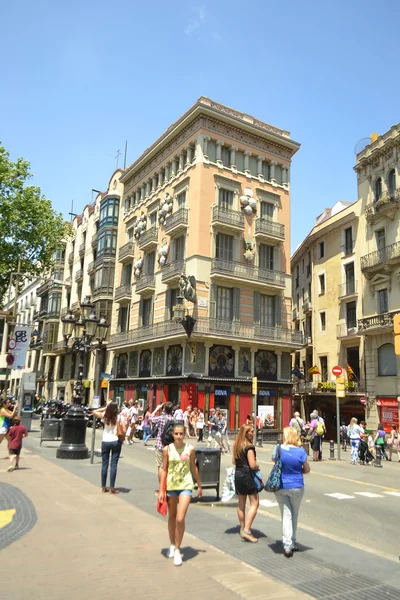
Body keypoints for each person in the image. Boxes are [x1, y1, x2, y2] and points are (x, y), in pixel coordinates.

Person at [159, 422, 202, 566]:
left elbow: (194, 467)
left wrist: (199, 485)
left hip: (186, 485)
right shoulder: (167, 450)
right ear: (172, 434)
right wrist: (161, 489)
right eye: (176, 434)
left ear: (185, 434)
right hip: (171, 486)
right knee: (171, 517)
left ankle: (177, 549)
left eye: (181, 434)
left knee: (179, 518)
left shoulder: (190, 449)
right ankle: (172, 544)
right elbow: (164, 470)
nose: (178, 436)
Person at [273, 426, 310, 557]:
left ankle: (287, 544)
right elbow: (307, 469)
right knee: (294, 514)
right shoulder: (301, 452)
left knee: (286, 515)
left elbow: (274, 461)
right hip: (297, 485)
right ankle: (292, 542)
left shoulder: (278, 449)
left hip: (281, 485)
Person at [233, 424, 260, 543]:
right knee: (255, 503)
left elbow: (234, 461)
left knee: (241, 503)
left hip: (238, 474)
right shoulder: (249, 447)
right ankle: (247, 530)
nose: (253, 433)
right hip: (247, 475)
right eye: (251, 432)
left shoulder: (237, 446)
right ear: (246, 434)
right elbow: (252, 465)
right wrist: (257, 466)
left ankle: (242, 527)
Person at [93, 402, 126, 493]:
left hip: (105, 441)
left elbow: (94, 411)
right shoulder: (119, 417)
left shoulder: (105, 416)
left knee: (104, 464)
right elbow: (124, 429)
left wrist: (104, 408)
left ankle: (103, 486)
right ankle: (112, 487)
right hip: (116, 441)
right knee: (114, 464)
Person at [150, 402, 174, 485]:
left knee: (160, 466)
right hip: (170, 446)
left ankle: (161, 487)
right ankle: (168, 485)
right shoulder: (173, 419)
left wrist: (157, 409)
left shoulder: (161, 418)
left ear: (164, 409)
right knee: (168, 466)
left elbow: (151, 418)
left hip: (160, 444)